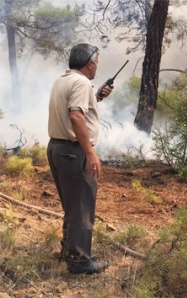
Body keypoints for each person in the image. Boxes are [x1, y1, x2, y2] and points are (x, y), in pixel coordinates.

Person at [47, 43, 113, 274]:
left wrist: (96, 98)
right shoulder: (82, 82)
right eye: (96, 62)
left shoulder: (63, 80)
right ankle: (79, 261)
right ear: (90, 64)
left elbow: (73, 112)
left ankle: (69, 251)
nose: (97, 67)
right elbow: (75, 117)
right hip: (73, 152)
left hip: (57, 148)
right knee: (82, 207)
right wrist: (90, 153)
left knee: (73, 205)